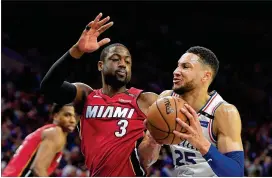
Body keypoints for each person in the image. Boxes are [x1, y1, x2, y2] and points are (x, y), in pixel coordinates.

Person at [40, 12, 160, 177]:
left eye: (127, 61)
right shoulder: (86, 96)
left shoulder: (145, 99)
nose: (123, 64)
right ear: (100, 65)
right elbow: (49, 87)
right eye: (116, 59)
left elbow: (150, 156)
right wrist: (76, 51)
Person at [146, 46, 244, 176]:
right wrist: (152, 142)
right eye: (178, 66)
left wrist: (202, 144)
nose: (176, 71)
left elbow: (236, 174)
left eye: (185, 67)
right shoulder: (166, 100)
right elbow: (147, 161)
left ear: (205, 76)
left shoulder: (223, 112)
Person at [2, 104, 77, 177]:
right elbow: (38, 169)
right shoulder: (55, 132)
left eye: (74, 116)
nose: (72, 120)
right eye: (67, 115)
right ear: (56, 116)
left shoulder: (48, 131)